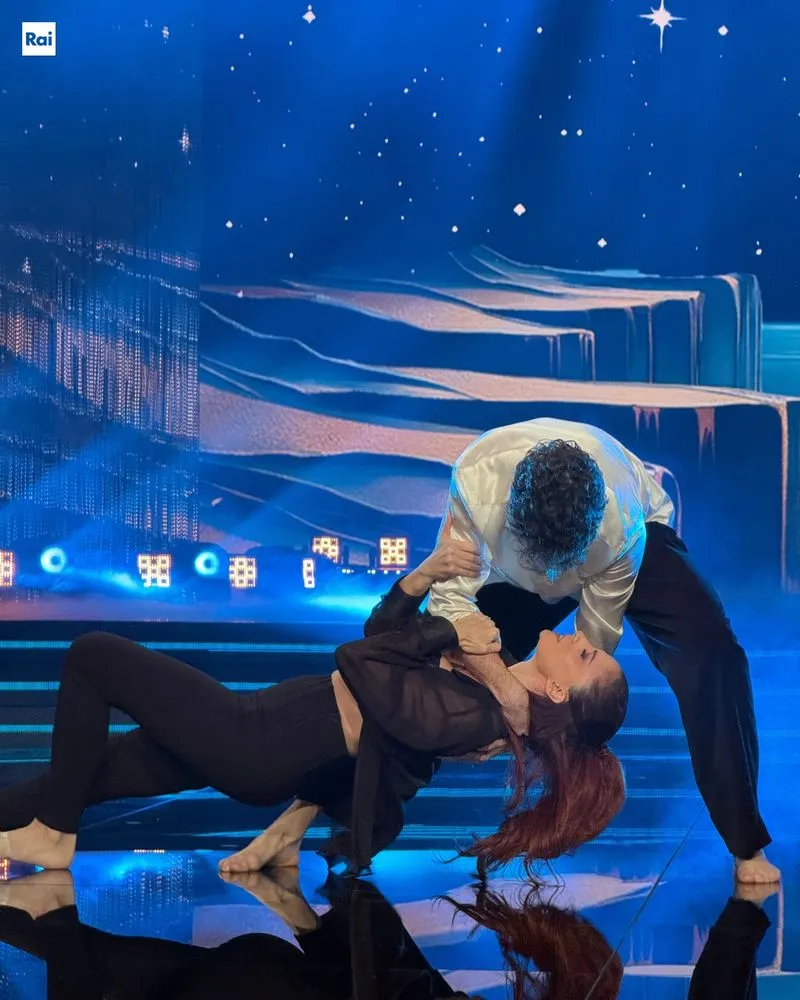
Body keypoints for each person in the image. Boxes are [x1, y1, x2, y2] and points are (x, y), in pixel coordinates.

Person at [0, 537, 625, 876]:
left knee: (94, 655)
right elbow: (382, 634)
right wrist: (421, 579)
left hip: (255, 742)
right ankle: (49, 818)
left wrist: (446, 632)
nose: (580, 639)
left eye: (586, 656)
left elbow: (359, 661)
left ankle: (55, 836)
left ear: (560, 692)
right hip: (260, 726)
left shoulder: (477, 718)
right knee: (81, 778)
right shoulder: (491, 675)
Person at [425, 417, 778, 885]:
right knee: (432, 657)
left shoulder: (619, 520)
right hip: (514, 570)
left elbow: (591, 646)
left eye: (563, 569)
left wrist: (549, 717)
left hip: (620, 551)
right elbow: (448, 605)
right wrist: (504, 689)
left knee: (715, 654)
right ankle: (349, 800)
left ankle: (745, 842)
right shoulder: (476, 483)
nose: (555, 584)